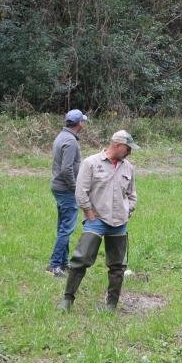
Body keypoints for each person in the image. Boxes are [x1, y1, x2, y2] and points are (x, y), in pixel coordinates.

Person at [61, 130, 139, 312]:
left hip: (119, 222)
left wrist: (128, 209)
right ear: (117, 145)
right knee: (81, 259)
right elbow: (81, 191)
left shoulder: (129, 167)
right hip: (96, 220)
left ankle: (111, 305)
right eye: (128, 149)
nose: (129, 153)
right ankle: (67, 300)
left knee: (117, 266)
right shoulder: (91, 163)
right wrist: (88, 211)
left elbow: (132, 194)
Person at [47, 109, 89, 276]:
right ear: (79, 123)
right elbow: (66, 169)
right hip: (66, 189)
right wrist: (75, 188)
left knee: (63, 227)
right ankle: (54, 265)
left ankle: (63, 263)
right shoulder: (70, 141)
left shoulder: (61, 136)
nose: (84, 123)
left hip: (59, 187)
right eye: (83, 121)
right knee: (66, 228)